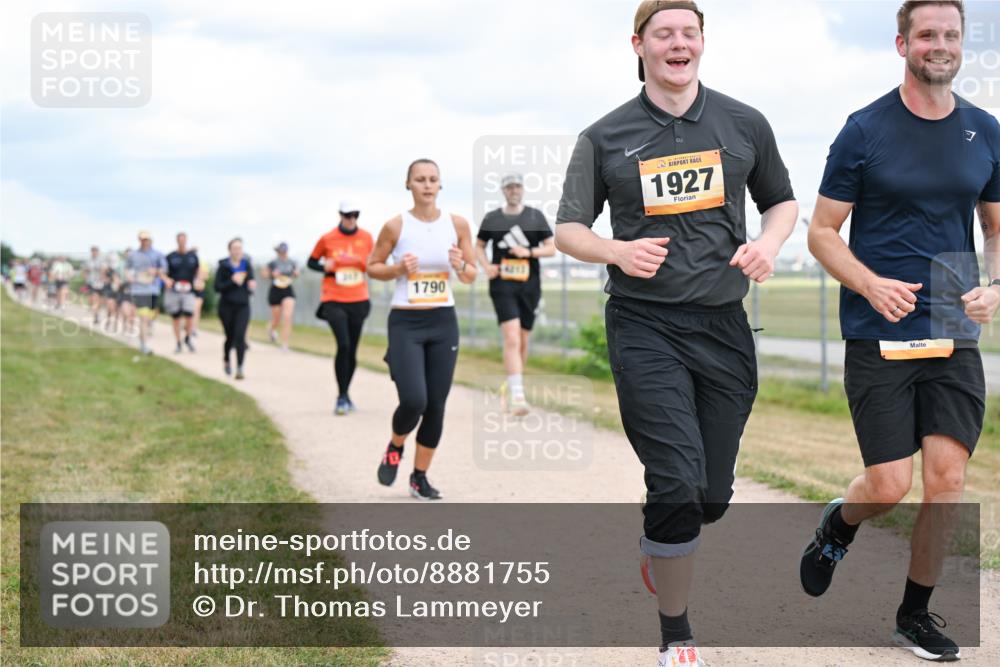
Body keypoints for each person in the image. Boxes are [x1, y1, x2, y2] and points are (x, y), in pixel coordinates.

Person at [554, 2, 798, 664]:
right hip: (644, 325)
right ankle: (676, 633)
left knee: (709, 497)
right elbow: (568, 227)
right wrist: (616, 250)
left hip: (723, 327)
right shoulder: (604, 136)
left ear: (702, 43)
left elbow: (781, 201)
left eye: (689, 32)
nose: (678, 43)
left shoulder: (744, 123)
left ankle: (664, 540)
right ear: (638, 45)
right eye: (664, 33)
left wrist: (768, 245)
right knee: (675, 483)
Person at [801, 2, 999, 662]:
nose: (940, 45)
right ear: (901, 44)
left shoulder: (985, 131)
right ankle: (839, 523)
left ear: (961, 43)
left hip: (951, 325)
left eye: (951, 35)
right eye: (927, 34)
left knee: (947, 480)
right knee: (889, 485)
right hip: (878, 328)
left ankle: (914, 615)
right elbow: (822, 232)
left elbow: (996, 230)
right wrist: (869, 284)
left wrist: (995, 286)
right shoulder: (865, 130)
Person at [368, 159, 478, 500]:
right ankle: (395, 445)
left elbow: (471, 274)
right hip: (406, 322)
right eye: (420, 179)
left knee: (436, 406)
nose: (427, 185)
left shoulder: (457, 224)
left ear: (440, 185)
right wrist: (398, 269)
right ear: (408, 184)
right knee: (415, 400)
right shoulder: (395, 226)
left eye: (433, 179)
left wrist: (461, 265)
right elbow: (372, 267)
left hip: (443, 322)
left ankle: (419, 477)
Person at [475, 173, 556, 416]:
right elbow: (479, 246)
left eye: (517, 186)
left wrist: (528, 252)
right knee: (511, 338)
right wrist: (486, 266)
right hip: (502, 285)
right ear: (503, 190)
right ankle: (518, 396)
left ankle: (513, 384)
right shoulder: (492, 218)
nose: (513, 190)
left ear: (522, 189)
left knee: (522, 339)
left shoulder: (535, 216)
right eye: (509, 187)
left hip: (529, 286)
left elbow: (551, 248)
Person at [309, 201, 375, 415]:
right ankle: (341, 396)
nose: (352, 219)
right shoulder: (328, 238)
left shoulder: (367, 238)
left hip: (359, 298)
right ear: (340, 215)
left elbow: (375, 263)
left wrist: (367, 263)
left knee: (352, 349)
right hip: (334, 298)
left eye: (356, 215)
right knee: (344, 345)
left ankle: (346, 393)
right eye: (348, 215)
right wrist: (324, 266)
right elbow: (311, 262)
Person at [215, 237, 256, 379]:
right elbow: (217, 287)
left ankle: (240, 368)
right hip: (226, 306)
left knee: (240, 336)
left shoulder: (246, 265)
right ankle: (226, 359)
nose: (238, 251)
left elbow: (251, 282)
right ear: (230, 250)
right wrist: (232, 281)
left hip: (243, 306)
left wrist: (251, 286)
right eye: (235, 248)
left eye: (240, 248)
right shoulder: (223, 266)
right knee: (230, 337)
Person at [125, 232, 167, 355]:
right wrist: (129, 276)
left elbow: (164, 269)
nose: (144, 241)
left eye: (146, 239)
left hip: (153, 289)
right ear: (139, 240)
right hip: (139, 290)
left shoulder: (158, 254)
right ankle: (143, 345)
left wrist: (156, 271)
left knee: (150, 317)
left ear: (150, 240)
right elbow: (127, 268)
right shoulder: (133, 255)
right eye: (142, 239)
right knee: (143, 317)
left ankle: (150, 325)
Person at [165, 232, 199, 353]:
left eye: (183, 240)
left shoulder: (192, 256)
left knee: (190, 315)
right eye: (180, 240)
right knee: (176, 317)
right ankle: (178, 343)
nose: (182, 242)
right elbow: (164, 272)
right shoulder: (170, 257)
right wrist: (166, 280)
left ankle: (188, 338)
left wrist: (198, 280)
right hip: (174, 291)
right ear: (177, 241)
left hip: (189, 291)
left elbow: (198, 271)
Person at [265, 242, 299, 352]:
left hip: (287, 289)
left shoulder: (292, 262)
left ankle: (285, 344)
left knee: (287, 317)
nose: (283, 253)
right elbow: (264, 274)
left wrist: (296, 273)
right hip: (275, 290)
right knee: (276, 319)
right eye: (281, 251)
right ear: (278, 251)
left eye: (285, 251)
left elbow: (296, 273)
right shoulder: (273, 263)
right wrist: (272, 274)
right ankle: (271, 329)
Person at [83, 246, 106, 324]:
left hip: (99, 283)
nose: (94, 253)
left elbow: (104, 270)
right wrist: (86, 279)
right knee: (93, 299)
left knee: (99, 301)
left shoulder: (101, 260)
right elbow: (85, 271)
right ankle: (96, 315)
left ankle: (97, 314)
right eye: (93, 251)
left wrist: (102, 277)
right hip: (90, 282)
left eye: (95, 251)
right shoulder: (88, 261)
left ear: (98, 252)